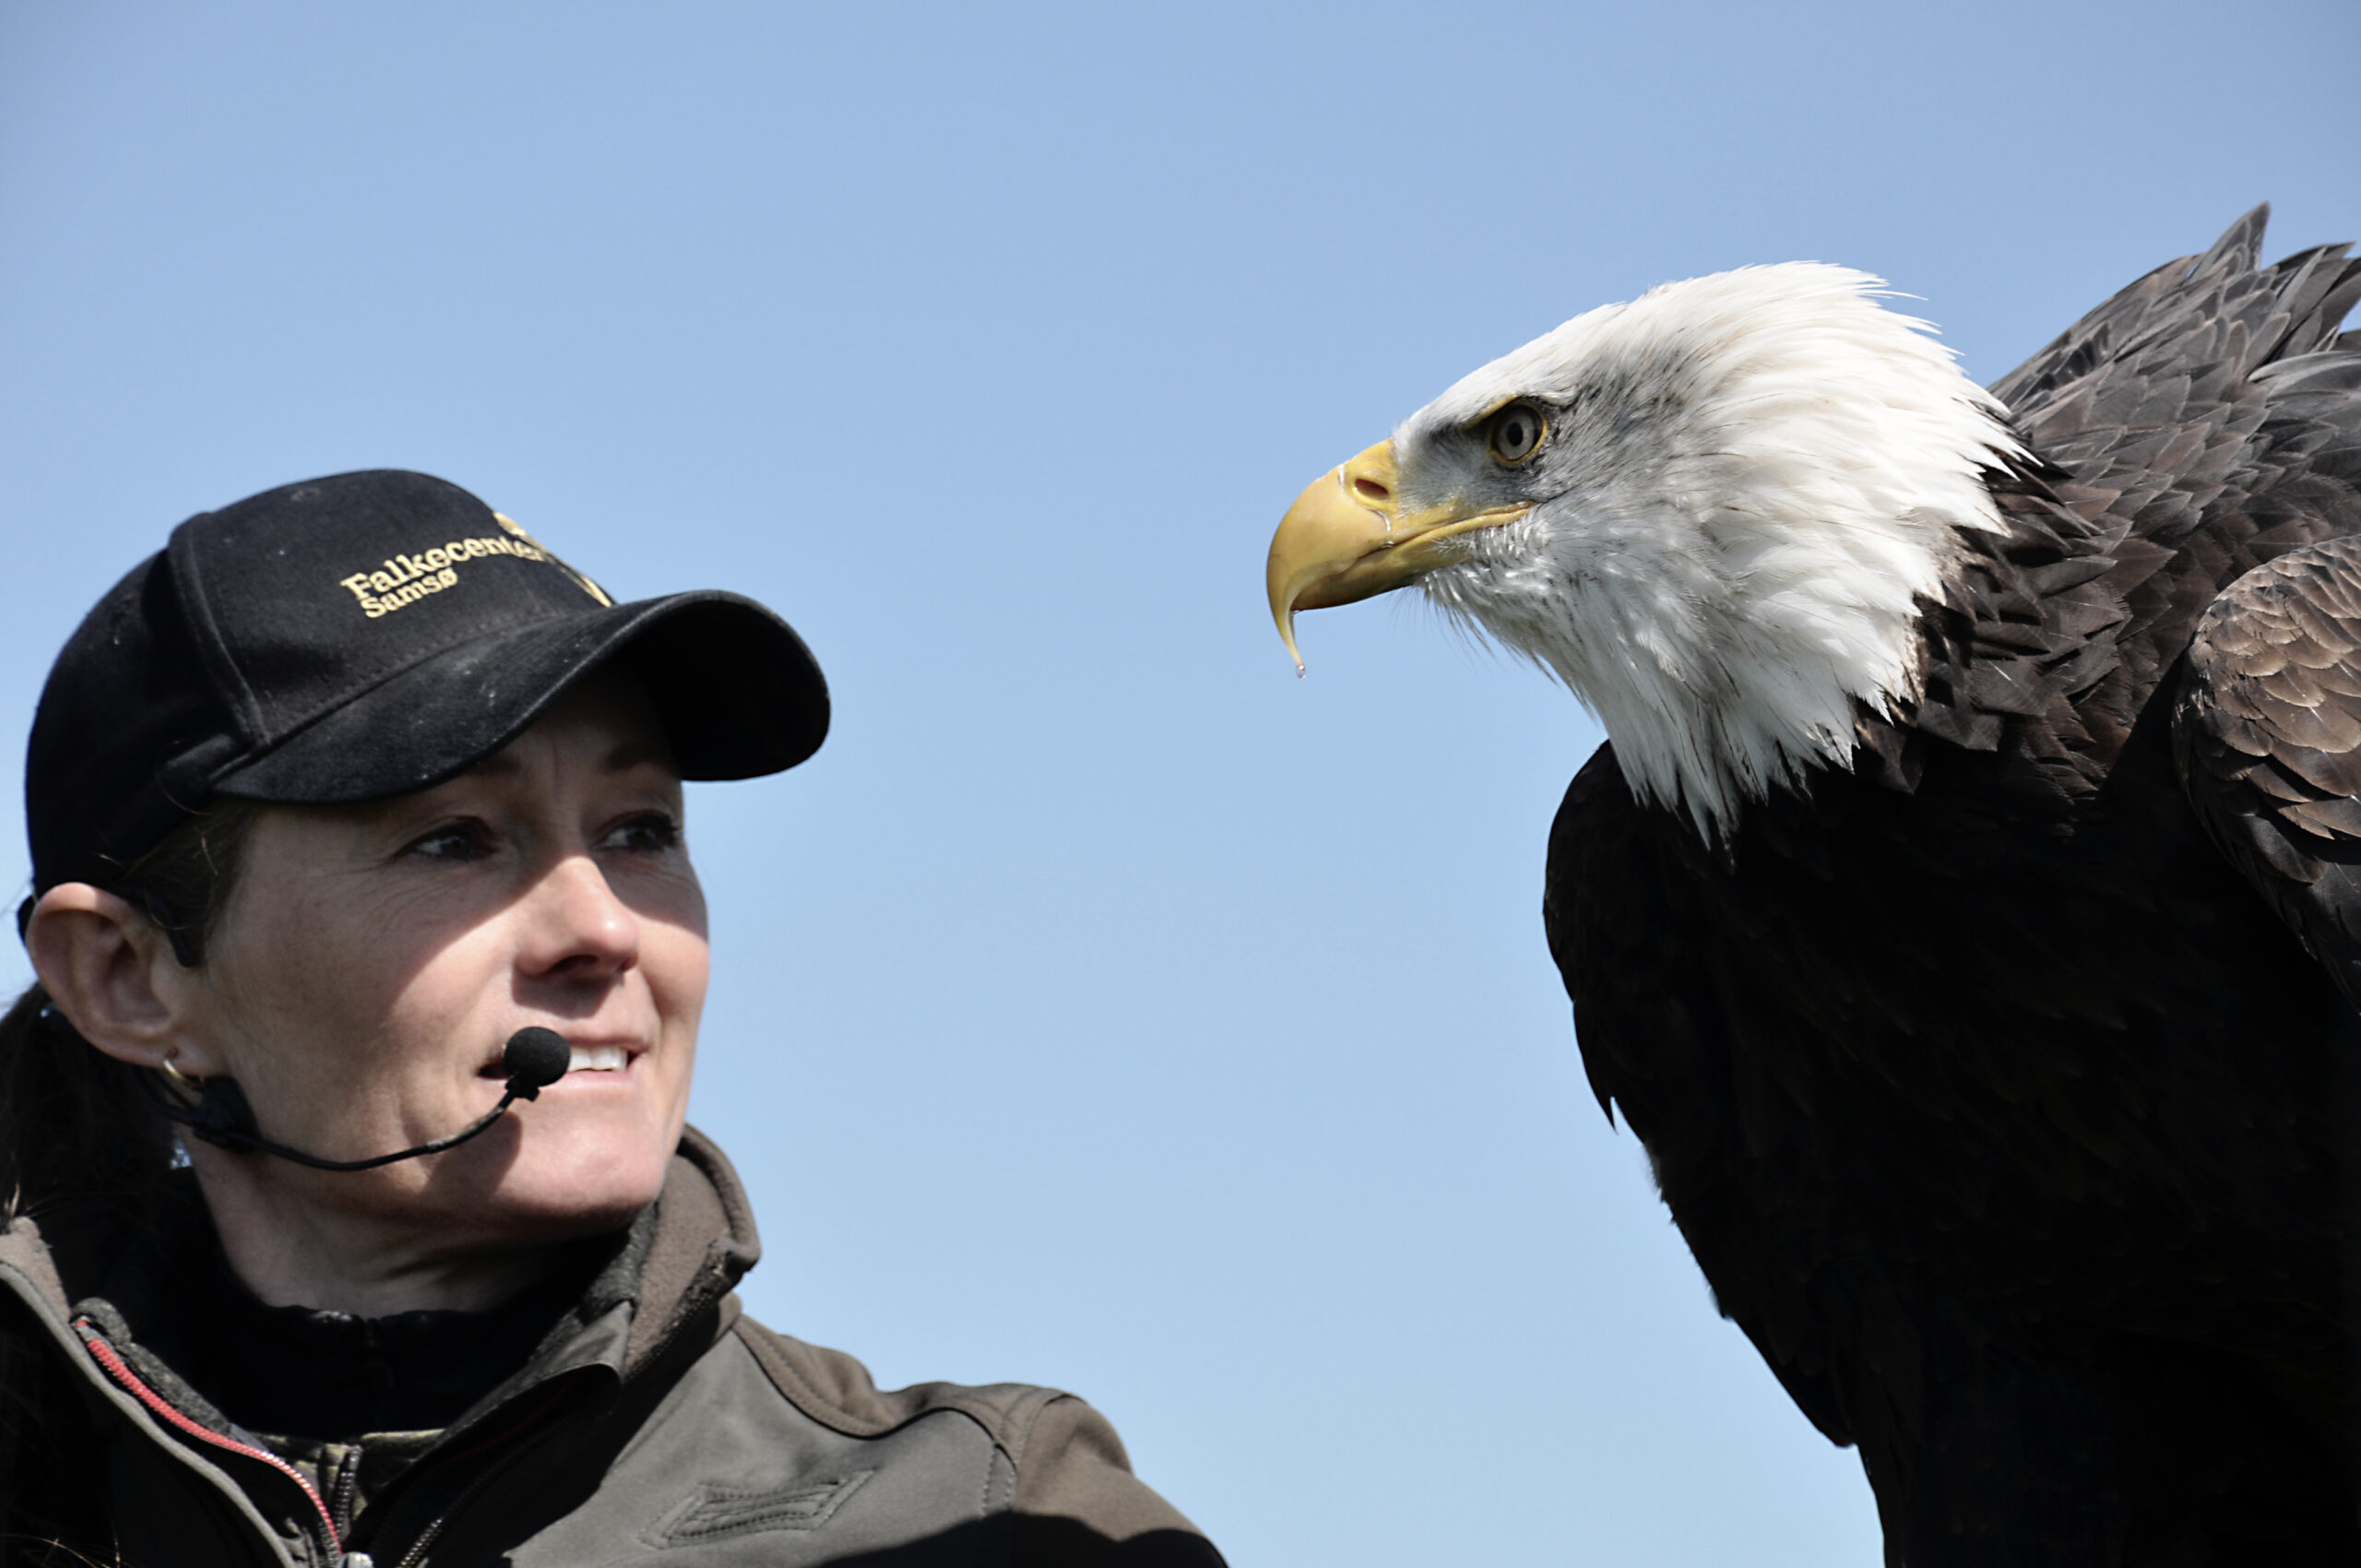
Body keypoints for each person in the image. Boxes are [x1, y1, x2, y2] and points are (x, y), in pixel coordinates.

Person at [0, 470, 1224, 1567]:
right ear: (126, 976)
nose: (605, 930)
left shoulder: (996, 1528)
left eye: (640, 830)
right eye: (454, 841)